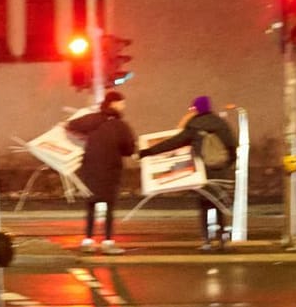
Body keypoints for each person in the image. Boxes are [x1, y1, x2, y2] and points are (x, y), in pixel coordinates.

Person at [140, 96, 238, 250]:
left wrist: (147, 152)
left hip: (202, 173)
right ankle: (223, 240)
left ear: (197, 109)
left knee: (204, 206)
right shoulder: (222, 124)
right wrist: (227, 164)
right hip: (220, 172)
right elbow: (232, 146)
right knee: (219, 205)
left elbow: (173, 143)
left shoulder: (195, 125)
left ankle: (206, 242)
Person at [66, 89, 137, 254]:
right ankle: (107, 242)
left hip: (91, 169)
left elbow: (71, 125)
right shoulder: (120, 126)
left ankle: (88, 241)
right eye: (122, 103)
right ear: (114, 103)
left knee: (91, 204)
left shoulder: (93, 119)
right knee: (109, 206)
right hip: (111, 170)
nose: (123, 106)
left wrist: (83, 138)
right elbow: (128, 149)